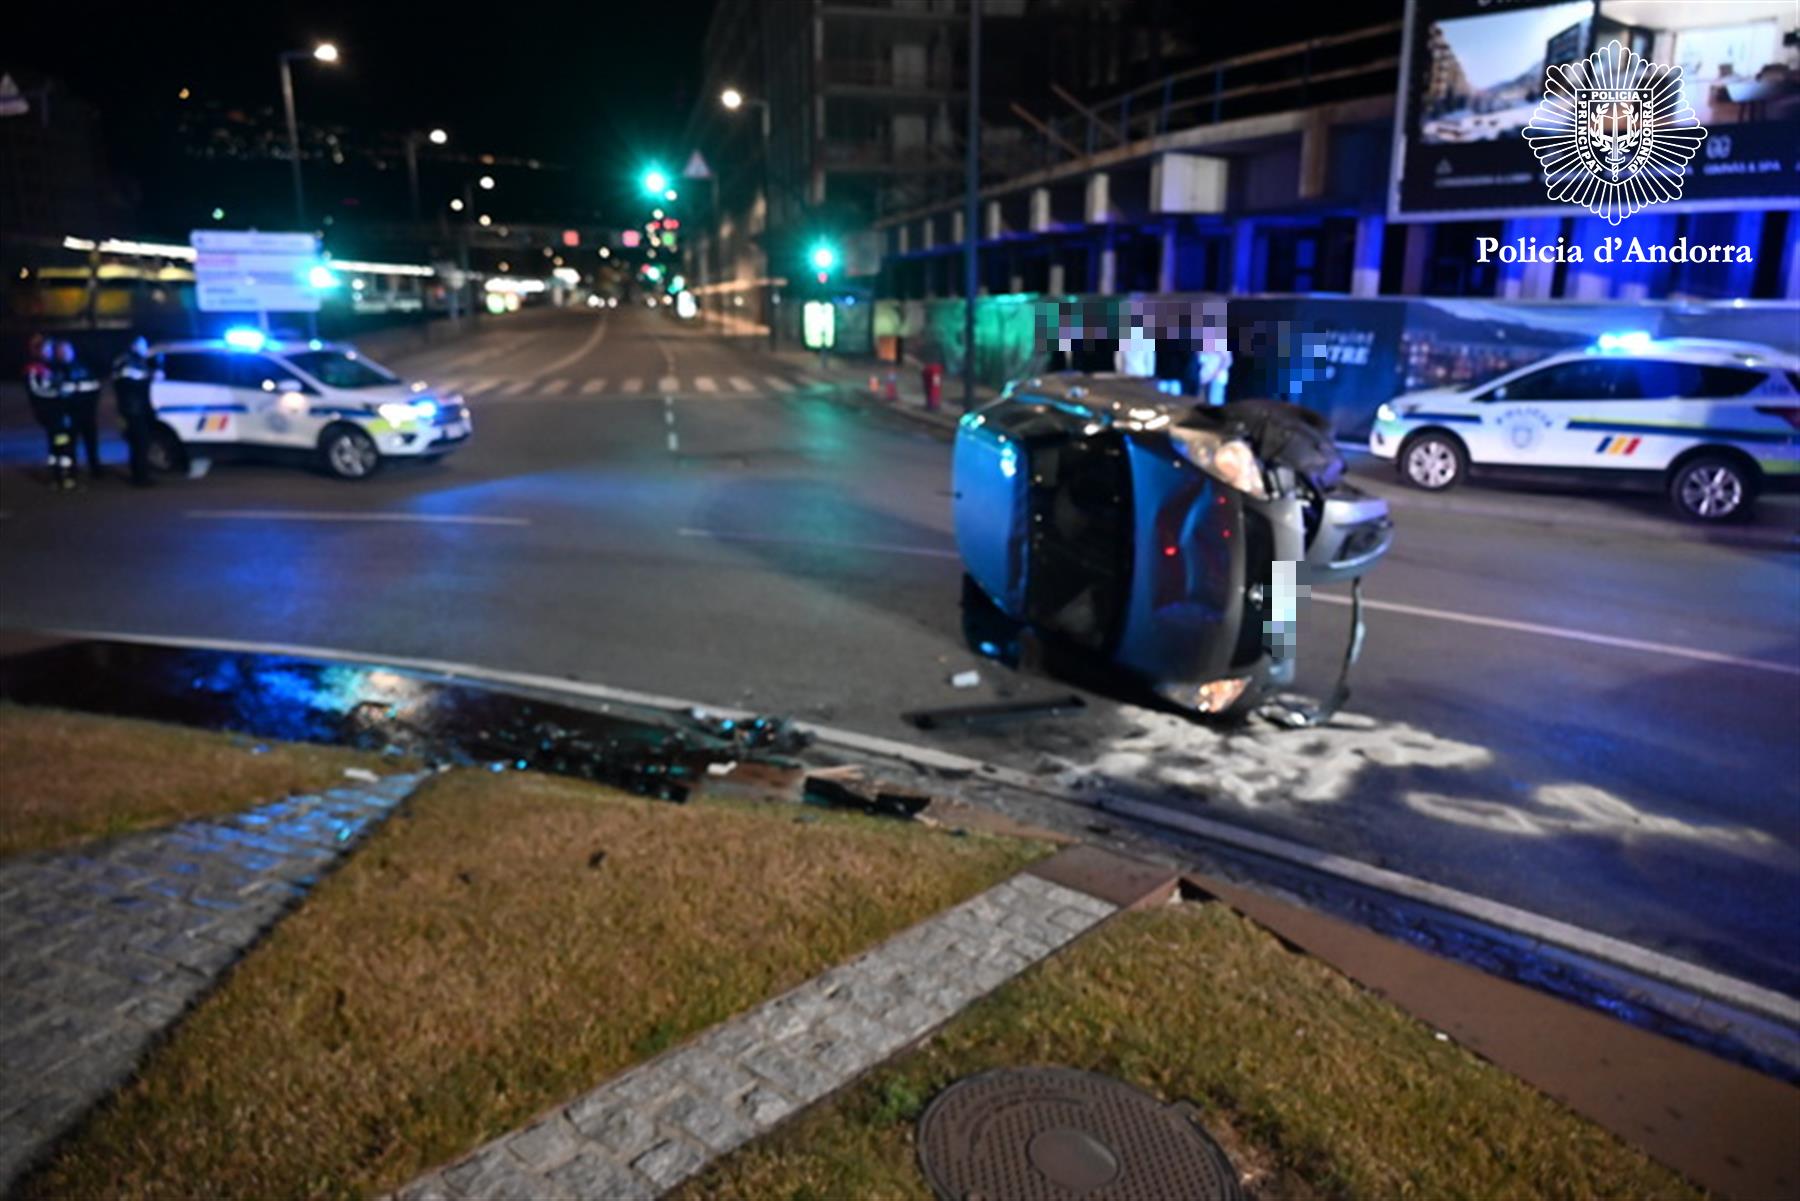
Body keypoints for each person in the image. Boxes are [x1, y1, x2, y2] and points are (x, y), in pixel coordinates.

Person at [23, 334, 73, 487]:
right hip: (47, 411)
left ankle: (61, 473)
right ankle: (59, 476)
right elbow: (36, 390)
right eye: (46, 349)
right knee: (58, 440)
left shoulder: (54, 366)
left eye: (51, 348)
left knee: (60, 441)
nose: (49, 351)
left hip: (58, 411)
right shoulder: (33, 368)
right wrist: (58, 393)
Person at [55, 339, 104, 479]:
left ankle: (96, 470)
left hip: (88, 413)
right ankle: (72, 471)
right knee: (69, 445)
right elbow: (57, 393)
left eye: (67, 350)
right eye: (61, 351)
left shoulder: (83, 367)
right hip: (69, 415)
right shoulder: (56, 370)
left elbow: (95, 387)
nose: (64, 354)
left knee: (92, 443)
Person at [112, 335, 155, 486]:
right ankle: (140, 478)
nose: (145, 348)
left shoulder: (135, 361)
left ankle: (141, 475)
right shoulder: (127, 362)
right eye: (142, 345)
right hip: (133, 410)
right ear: (133, 346)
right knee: (140, 443)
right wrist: (151, 378)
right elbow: (130, 386)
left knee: (140, 444)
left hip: (137, 409)